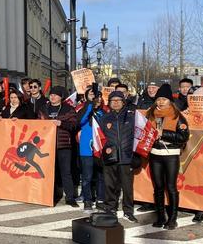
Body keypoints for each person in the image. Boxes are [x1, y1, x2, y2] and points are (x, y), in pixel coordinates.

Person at [146, 83, 189, 230]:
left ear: (170, 100)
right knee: (158, 187)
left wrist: (163, 134)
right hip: (155, 154)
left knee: (170, 187)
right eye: (158, 99)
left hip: (170, 154)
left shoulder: (177, 116)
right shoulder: (150, 114)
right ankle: (160, 217)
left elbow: (183, 136)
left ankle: (172, 218)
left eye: (164, 99)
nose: (160, 102)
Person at [100, 91, 138, 222]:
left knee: (127, 187)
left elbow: (138, 136)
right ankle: (110, 208)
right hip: (110, 157)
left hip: (126, 157)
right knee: (110, 185)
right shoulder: (104, 118)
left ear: (123, 102)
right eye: (113, 100)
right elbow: (99, 138)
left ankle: (128, 211)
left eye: (118, 100)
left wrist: (136, 155)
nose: (115, 102)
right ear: (109, 103)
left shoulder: (132, 117)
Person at [38, 86, 78, 207]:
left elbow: (74, 125)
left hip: (63, 145)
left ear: (61, 97)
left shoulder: (68, 109)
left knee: (66, 172)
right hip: (46, 145)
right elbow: (37, 123)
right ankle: (50, 195)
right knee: (49, 172)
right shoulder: (43, 108)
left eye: (55, 95)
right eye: (51, 95)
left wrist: (62, 123)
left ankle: (70, 197)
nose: (52, 97)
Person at [77, 87, 105, 211]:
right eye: (93, 96)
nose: (96, 99)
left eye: (98, 97)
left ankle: (100, 199)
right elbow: (80, 121)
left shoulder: (104, 113)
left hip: (101, 149)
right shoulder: (84, 110)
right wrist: (89, 104)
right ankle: (87, 200)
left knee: (101, 176)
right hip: (86, 149)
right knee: (87, 177)